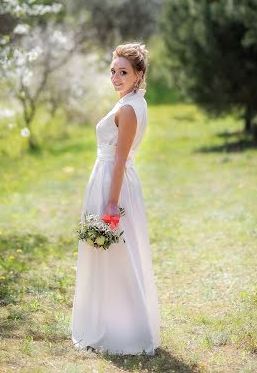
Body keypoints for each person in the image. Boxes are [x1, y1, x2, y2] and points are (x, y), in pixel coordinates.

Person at [70, 42, 160, 355]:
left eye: (123, 72)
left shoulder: (129, 108)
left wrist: (111, 203)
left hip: (113, 182)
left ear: (138, 75)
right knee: (112, 253)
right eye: (113, 71)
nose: (116, 77)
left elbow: (120, 160)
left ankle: (127, 331)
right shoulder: (133, 101)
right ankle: (108, 321)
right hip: (110, 178)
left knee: (117, 252)